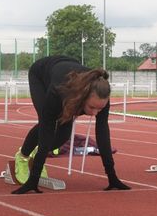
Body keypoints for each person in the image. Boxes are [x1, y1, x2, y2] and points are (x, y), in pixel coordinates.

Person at [11, 55, 130, 194]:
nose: (95, 113)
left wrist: (112, 176)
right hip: (41, 74)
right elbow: (46, 128)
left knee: (62, 135)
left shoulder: (101, 97)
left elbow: (102, 133)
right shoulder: (58, 91)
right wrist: (34, 179)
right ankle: (23, 156)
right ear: (82, 98)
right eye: (91, 107)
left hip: (70, 71)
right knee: (47, 122)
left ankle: (37, 154)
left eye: (100, 109)